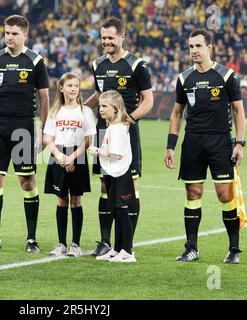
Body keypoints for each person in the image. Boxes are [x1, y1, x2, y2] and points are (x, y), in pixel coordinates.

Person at [164, 30, 246, 264]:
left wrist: (239, 143)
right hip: (192, 142)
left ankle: (234, 249)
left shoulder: (227, 76)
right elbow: (177, 113)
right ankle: (191, 248)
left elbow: (239, 110)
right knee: (193, 193)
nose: (194, 51)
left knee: (224, 194)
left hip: (220, 142)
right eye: (191, 46)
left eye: (198, 46)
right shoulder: (184, 79)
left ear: (209, 47)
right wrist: (171, 146)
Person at [0, 15, 49, 253]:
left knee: (27, 181)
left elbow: (44, 97)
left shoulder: (35, 61)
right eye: (7, 32)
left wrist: (44, 129)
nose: (10, 37)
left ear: (25, 36)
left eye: (15, 33)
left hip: (24, 126)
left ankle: (31, 239)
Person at [85, 17, 153, 256]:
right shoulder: (98, 64)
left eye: (111, 38)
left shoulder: (137, 65)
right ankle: (106, 242)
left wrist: (128, 121)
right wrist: (80, 110)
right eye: (103, 38)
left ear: (122, 37)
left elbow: (148, 100)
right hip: (103, 131)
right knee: (106, 185)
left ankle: (127, 245)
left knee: (129, 186)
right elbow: (98, 95)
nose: (106, 42)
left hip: (126, 132)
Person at [43, 73, 96, 257]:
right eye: (70, 86)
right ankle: (61, 244)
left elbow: (88, 139)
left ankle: (75, 244)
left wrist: (72, 157)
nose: (73, 89)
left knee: (76, 200)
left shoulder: (85, 111)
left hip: (77, 157)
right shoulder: (55, 111)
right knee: (61, 199)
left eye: (76, 86)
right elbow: (48, 138)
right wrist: (59, 156)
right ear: (61, 88)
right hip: (58, 155)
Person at [89, 91, 136, 263]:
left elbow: (117, 155)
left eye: (104, 106)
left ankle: (128, 251)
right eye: (100, 106)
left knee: (122, 212)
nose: (100, 109)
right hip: (112, 173)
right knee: (116, 211)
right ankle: (117, 249)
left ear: (115, 109)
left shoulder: (118, 129)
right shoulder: (112, 127)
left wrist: (97, 151)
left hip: (120, 175)